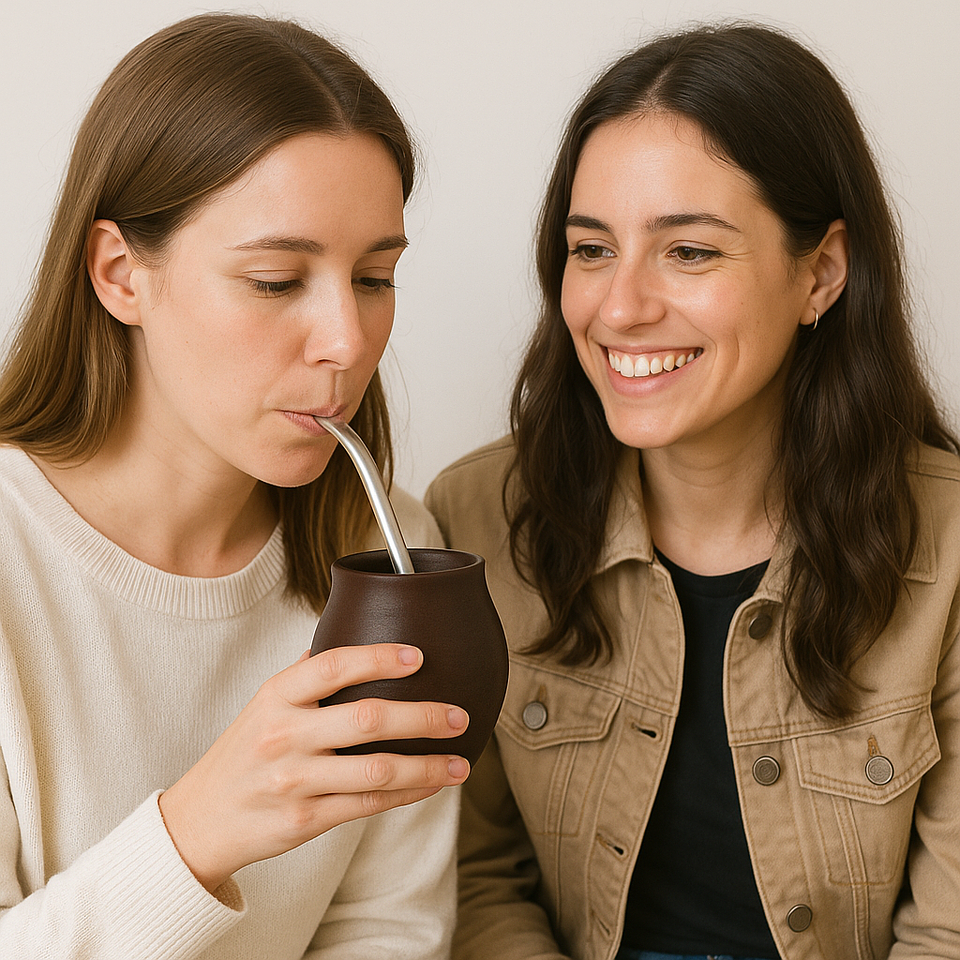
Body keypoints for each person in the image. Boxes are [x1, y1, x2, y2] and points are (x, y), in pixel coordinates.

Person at [426, 22, 960, 960]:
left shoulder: (951, 542)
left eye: (691, 252)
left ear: (821, 274)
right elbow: (474, 875)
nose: (620, 306)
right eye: (591, 250)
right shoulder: (476, 517)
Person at [0, 13, 470, 959]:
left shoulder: (390, 559)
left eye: (375, 276)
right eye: (273, 279)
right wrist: (196, 833)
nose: (347, 339)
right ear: (120, 274)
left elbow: (389, 932)